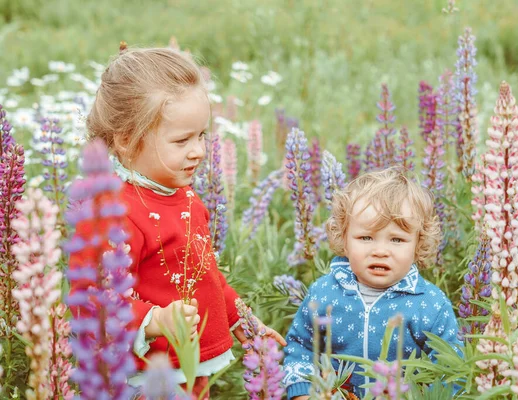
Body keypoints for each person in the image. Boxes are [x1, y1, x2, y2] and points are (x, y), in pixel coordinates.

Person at [68, 45, 285, 399]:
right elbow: (92, 297)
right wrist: (154, 321)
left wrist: (240, 317)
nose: (198, 150)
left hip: (190, 364)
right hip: (143, 375)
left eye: (201, 135)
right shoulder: (113, 212)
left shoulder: (183, 195)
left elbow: (205, 276)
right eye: (182, 140)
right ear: (125, 140)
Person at [282, 167, 462, 399]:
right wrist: (302, 392)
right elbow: (301, 346)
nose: (380, 251)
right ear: (344, 239)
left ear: (418, 245)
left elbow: (452, 367)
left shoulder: (430, 304)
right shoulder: (324, 293)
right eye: (366, 237)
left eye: (397, 239)